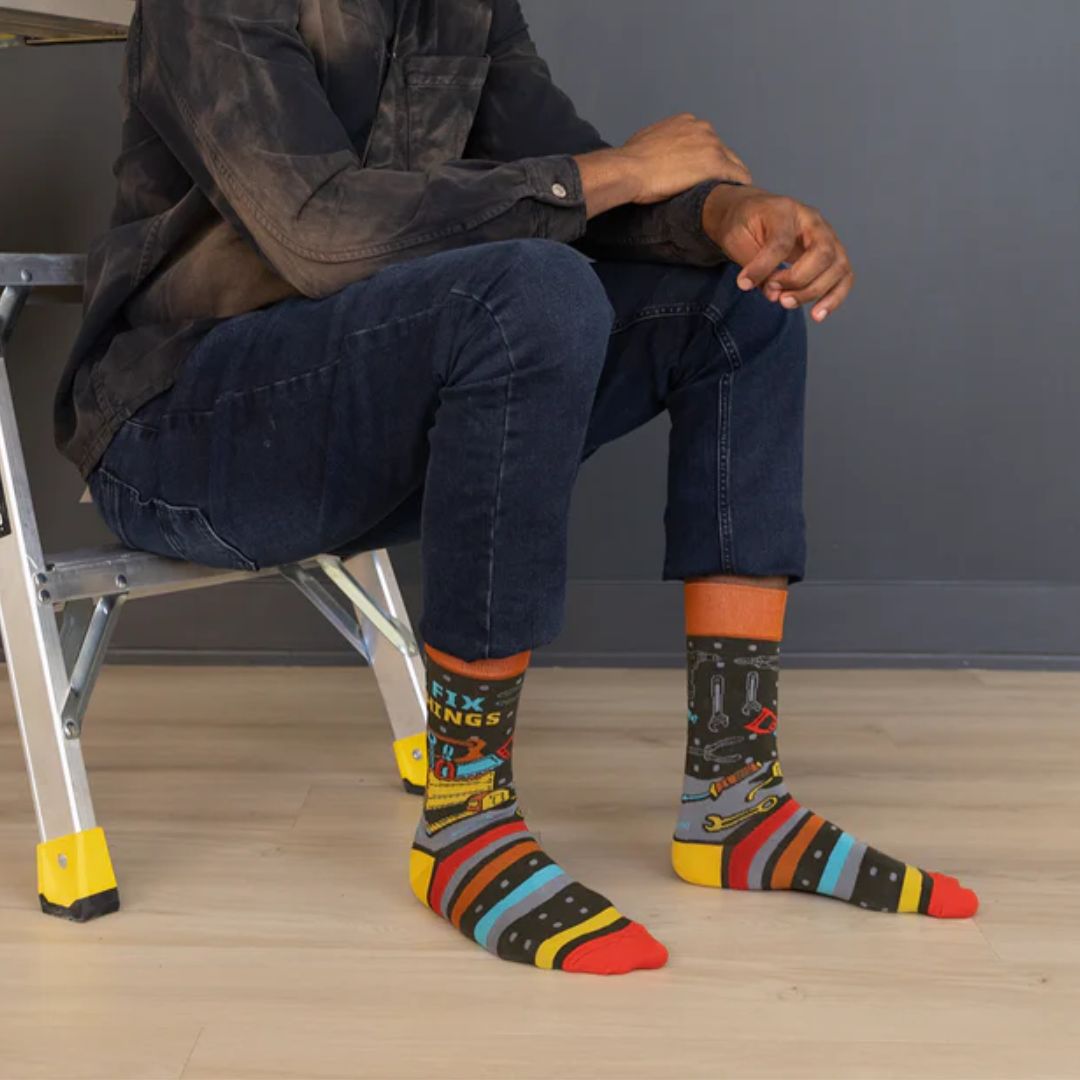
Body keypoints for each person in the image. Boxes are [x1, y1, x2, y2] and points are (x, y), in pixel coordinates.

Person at [58, 0, 977, 976]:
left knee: (742, 302)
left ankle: (737, 802)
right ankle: (465, 822)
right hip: (183, 431)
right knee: (533, 289)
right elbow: (323, 235)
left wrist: (720, 217)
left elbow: (583, 192)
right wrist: (617, 169)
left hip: (363, 414)